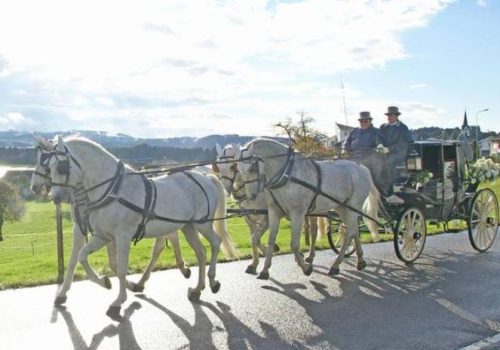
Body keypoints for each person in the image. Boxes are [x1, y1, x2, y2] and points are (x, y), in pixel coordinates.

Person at [377, 106, 413, 202]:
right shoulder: (383, 127)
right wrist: (380, 145)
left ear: (396, 116)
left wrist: (389, 149)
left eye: (391, 115)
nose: (389, 117)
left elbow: (403, 144)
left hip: (399, 154)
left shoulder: (403, 128)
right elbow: (378, 137)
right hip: (384, 152)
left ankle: (389, 190)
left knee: (389, 162)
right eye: (388, 115)